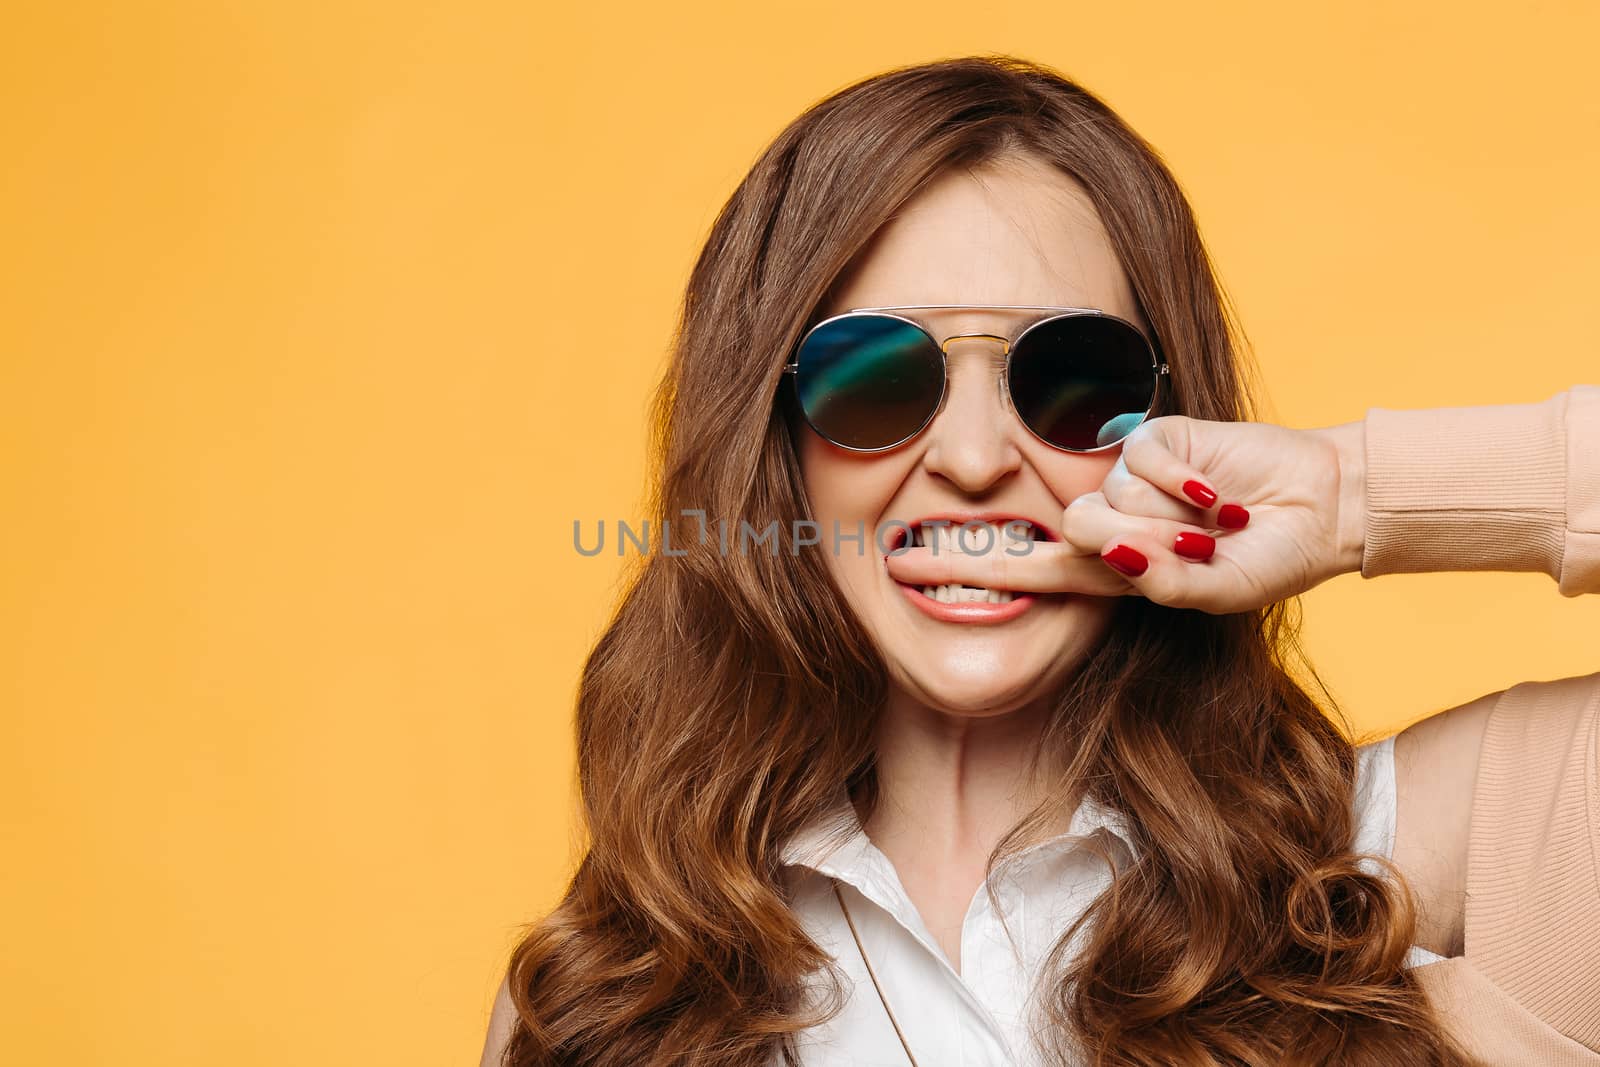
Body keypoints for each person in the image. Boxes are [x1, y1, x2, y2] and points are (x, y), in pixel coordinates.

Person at [482, 55, 1599, 1066]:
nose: (972, 458)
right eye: (875, 375)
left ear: (1171, 424)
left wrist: (1350, 495)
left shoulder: (1392, 873)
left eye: (1073, 377)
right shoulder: (617, 995)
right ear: (775, 448)